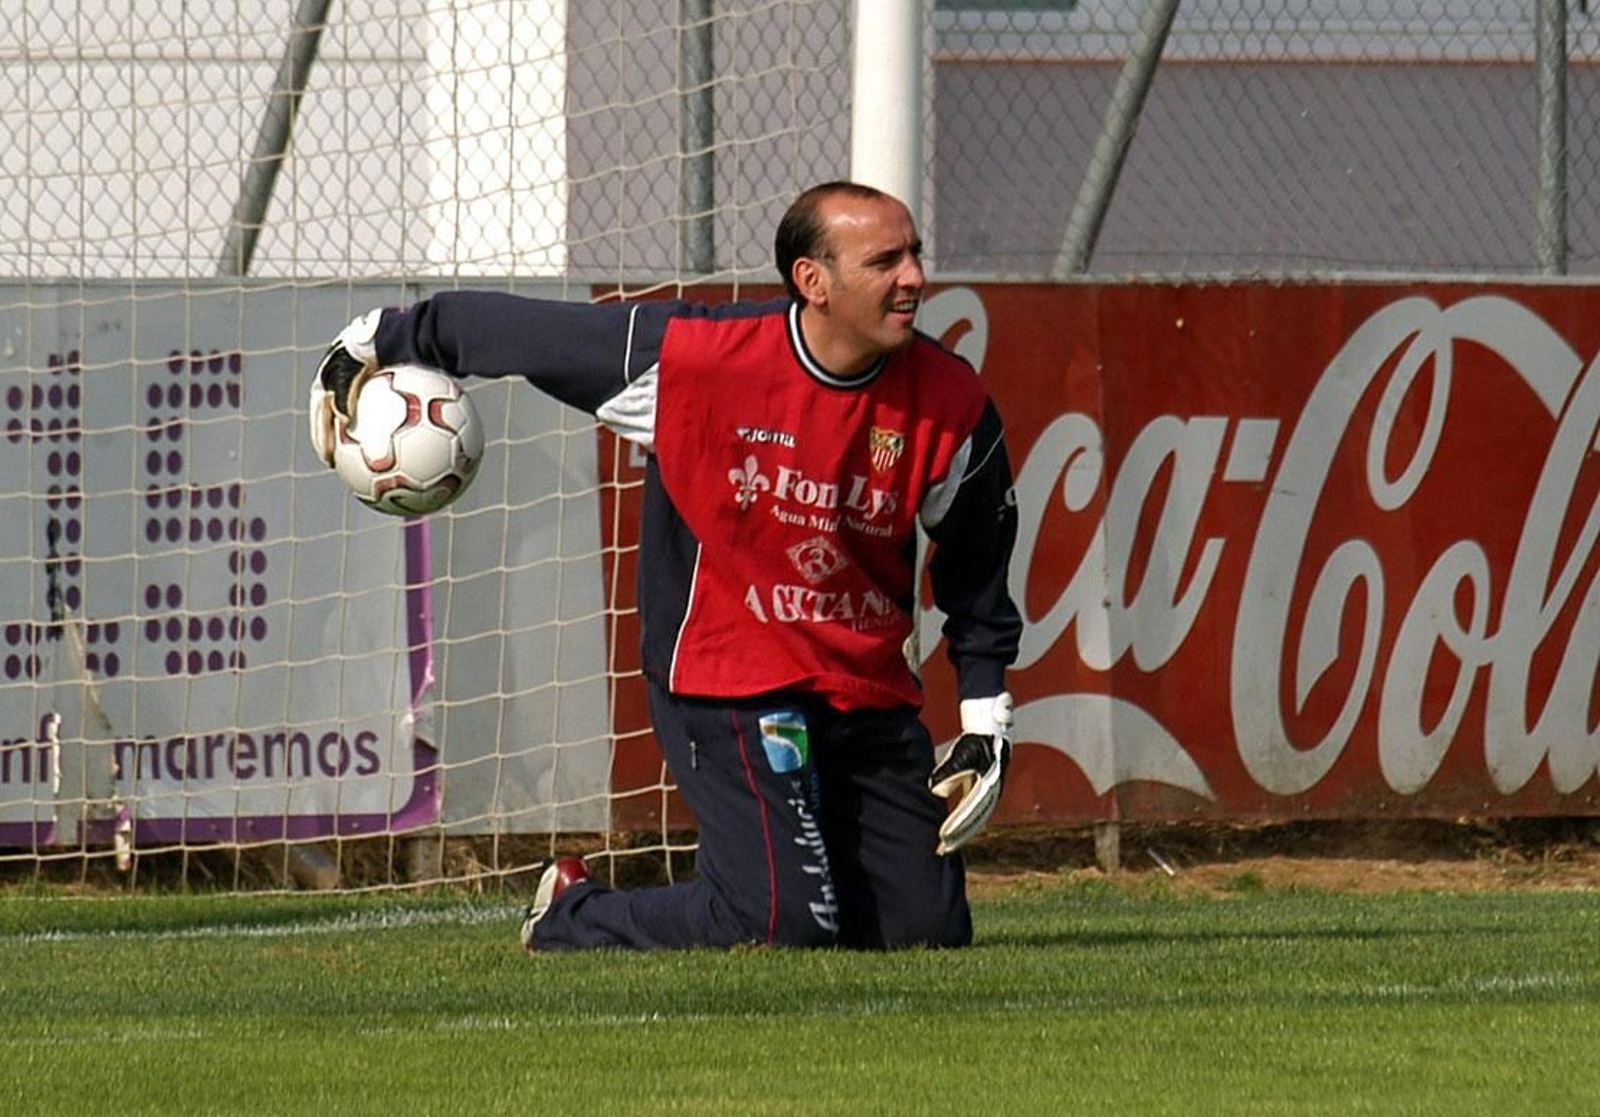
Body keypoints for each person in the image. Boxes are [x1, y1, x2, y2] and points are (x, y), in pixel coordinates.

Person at [310, 182, 1022, 950]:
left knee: (927, 933)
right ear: (813, 281)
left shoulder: (952, 403)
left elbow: (978, 566)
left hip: (863, 687)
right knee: (780, 924)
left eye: (914, 253)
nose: (914, 276)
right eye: (885, 261)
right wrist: (377, 339)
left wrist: (985, 722)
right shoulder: (696, 358)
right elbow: (521, 333)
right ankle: (572, 914)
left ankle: (809, 895)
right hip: (730, 681)